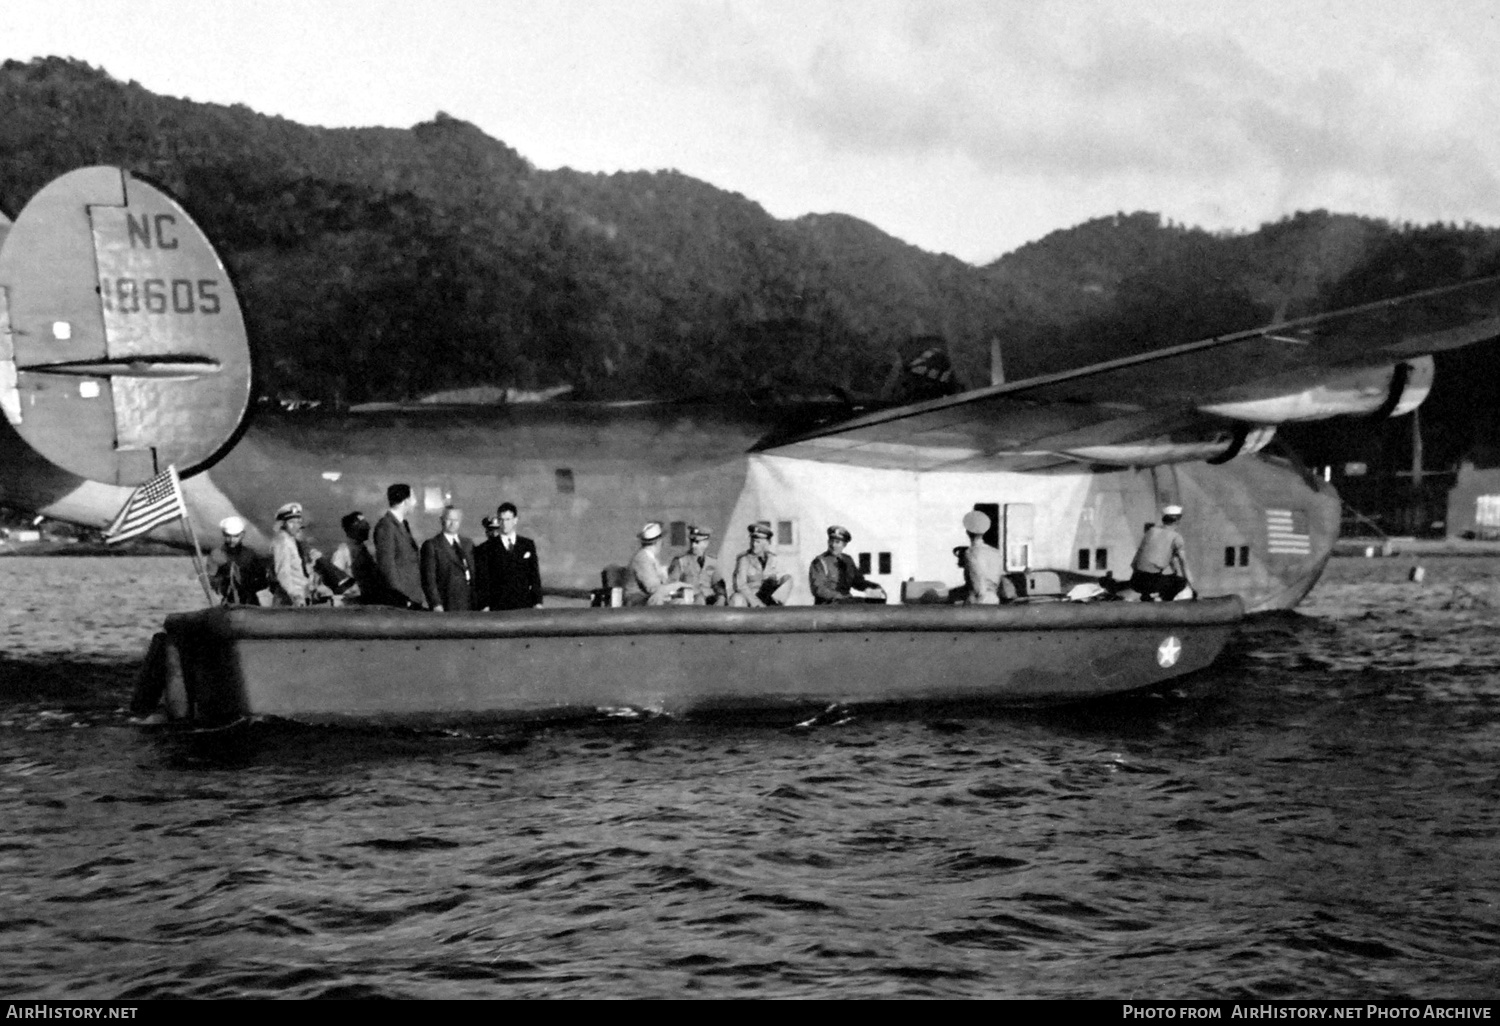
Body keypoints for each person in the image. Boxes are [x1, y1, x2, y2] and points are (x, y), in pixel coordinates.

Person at [475, 502, 543, 610]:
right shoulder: (486, 548)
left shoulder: (527, 545)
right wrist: (485, 605)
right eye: (501, 520)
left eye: (508, 519)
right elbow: (483, 579)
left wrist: (538, 602)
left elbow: (534, 575)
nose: (504, 523)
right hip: (498, 606)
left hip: (523, 604)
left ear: (515, 520)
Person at [373, 483, 425, 609]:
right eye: (413, 498)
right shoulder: (387, 526)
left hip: (411, 596)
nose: (415, 502)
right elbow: (387, 564)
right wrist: (399, 597)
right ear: (406, 501)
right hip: (402, 600)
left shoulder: (401, 524)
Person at [1130, 504, 1193, 600]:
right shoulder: (1176, 537)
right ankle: (1161, 599)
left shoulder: (1151, 531)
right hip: (1152, 581)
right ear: (1177, 520)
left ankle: (1148, 595)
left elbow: (1135, 562)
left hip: (1135, 580)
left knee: (1162, 577)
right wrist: (1191, 585)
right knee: (1180, 582)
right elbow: (1183, 563)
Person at [420, 506, 478, 612]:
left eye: (455, 520)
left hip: (469, 604)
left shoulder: (468, 544)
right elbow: (429, 579)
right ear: (442, 520)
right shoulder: (432, 545)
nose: (452, 523)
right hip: (447, 603)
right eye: (449, 519)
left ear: (460, 521)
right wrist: (436, 603)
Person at [809, 525, 885, 605]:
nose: (833, 545)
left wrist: (874, 587)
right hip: (827, 606)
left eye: (837, 542)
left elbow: (858, 582)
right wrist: (841, 597)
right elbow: (819, 589)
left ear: (844, 545)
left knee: (875, 604)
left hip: (846, 604)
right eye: (831, 541)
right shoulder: (819, 562)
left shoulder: (848, 560)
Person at [625, 522, 695, 605]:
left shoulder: (652, 558)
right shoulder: (642, 559)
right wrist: (678, 585)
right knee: (661, 599)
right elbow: (654, 588)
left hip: (648, 599)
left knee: (682, 602)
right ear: (658, 542)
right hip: (638, 601)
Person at [205, 515, 269, 606]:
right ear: (223, 534)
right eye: (228, 536)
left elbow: (263, 581)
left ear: (242, 535)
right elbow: (211, 580)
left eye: (235, 536)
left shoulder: (250, 554)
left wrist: (248, 585)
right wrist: (224, 583)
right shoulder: (217, 554)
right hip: (229, 602)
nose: (231, 540)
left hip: (250, 603)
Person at [269, 502, 325, 606]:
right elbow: (283, 573)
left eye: (298, 522)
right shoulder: (282, 541)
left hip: (300, 597)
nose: (296, 526)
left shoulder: (292, 540)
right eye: (291, 522)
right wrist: (295, 595)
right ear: (283, 524)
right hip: (289, 600)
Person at [729, 522, 793, 607]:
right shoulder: (744, 559)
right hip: (750, 599)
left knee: (788, 579)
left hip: (768, 597)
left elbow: (779, 580)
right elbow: (740, 585)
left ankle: (776, 606)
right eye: (752, 541)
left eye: (758, 542)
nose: (754, 545)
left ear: (766, 543)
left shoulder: (773, 559)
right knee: (737, 598)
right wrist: (756, 603)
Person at [329, 511, 379, 605]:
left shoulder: (364, 551)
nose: (367, 528)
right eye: (362, 525)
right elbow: (335, 579)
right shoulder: (343, 552)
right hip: (351, 602)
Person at [668, 525, 725, 605]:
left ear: (706, 543)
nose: (693, 545)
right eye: (692, 541)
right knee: (699, 599)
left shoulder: (712, 562)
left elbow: (718, 585)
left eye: (697, 542)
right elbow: (671, 588)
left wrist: (721, 597)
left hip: (709, 604)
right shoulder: (680, 561)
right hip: (689, 605)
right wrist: (689, 594)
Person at [961, 510, 1006, 605]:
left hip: (978, 600)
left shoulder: (971, 552)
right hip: (994, 598)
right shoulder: (995, 552)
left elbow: (977, 581)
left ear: (967, 532)